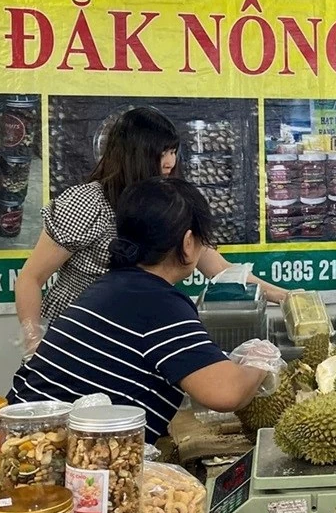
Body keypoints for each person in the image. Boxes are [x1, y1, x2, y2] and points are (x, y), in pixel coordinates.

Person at [8, 177, 283, 442]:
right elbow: (226, 393)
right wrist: (260, 360)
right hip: (56, 460)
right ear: (188, 244)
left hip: (22, 444)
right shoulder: (158, 303)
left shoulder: (111, 287)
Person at [15, 107, 288, 356]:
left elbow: (219, 269)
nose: (170, 162)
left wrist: (283, 296)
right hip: (76, 337)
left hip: (137, 336)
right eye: (161, 153)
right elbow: (30, 277)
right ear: (135, 154)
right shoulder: (86, 203)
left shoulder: (170, 204)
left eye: (173, 152)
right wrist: (33, 341)